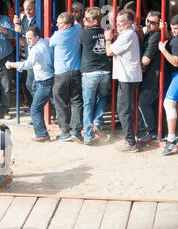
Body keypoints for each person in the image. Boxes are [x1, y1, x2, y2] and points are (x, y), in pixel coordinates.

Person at [6, 25, 54, 143]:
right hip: (52, 78)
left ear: (37, 37)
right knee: (59, 105)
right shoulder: (46, 41)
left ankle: (42, 134)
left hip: (45, 81)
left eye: (30, 38)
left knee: (35, 108)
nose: (27, 41)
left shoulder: (36, 49)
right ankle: (69, 131)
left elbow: (28, 65)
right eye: (26, 38)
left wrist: (12, 64)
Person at [105, 9, 142, 152]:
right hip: (127, 76)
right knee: (125, 108)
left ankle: (131, 142)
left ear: (130, 23)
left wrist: (108, 39)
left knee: (124, 109)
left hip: (128, 77)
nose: (118, 25)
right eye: (117, 22)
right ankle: (131, 139)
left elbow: (109, 51)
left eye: (121, 22)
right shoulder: (128, 33)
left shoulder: (128, 35)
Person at [79, 7, 111, 145]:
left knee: (88, 104)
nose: (84, 20)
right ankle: (97, 122)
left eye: (87, 19)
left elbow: (81, 43)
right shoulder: (106, 32)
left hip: (90, 73)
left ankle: (87, 136)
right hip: (104, 71)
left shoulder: (84, 34)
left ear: (94, 20)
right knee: (102, 97)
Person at [50, 12, 83, 143]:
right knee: (76, 102)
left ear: (68, 24)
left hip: (61, 75)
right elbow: (78, 25)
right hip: (75, 72)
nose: (57, 25)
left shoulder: (57, 36)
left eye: (60, 23)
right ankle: (76, 132)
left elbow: (50, 44)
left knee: (60, 103)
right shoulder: (78, 29)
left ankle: (65, 132)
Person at [158, 15, 178, 156]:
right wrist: (165, 30)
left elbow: (175, 62)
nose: (173, 31)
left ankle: (172, 138)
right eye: (172, 29)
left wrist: (163, 50)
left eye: (176, 29)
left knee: (168, 103)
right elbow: (172, 38)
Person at [137, 11, 162, 142]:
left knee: (143, 102)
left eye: (152, 22)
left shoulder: (155, 37)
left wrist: (137, 67)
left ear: (159, 25)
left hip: (155, 77)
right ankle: (147, 130)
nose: (148, 24)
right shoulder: (150, 34)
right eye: (147, 21)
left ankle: (151, 131)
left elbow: (145, 60)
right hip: (151, 76)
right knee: (147, 103)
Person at [14, 0, 37, 111]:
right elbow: (19, 36)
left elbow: (36, 34)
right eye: (25, 9)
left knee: (32, 85)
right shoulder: (23, 19)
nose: (27, 11)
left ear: (36, 8)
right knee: (27, 84)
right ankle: (34, 107)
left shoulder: (39, 18)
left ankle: (37, 108)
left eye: (30, 9)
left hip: (35, 57)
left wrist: (20, 30)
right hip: (25, 55)